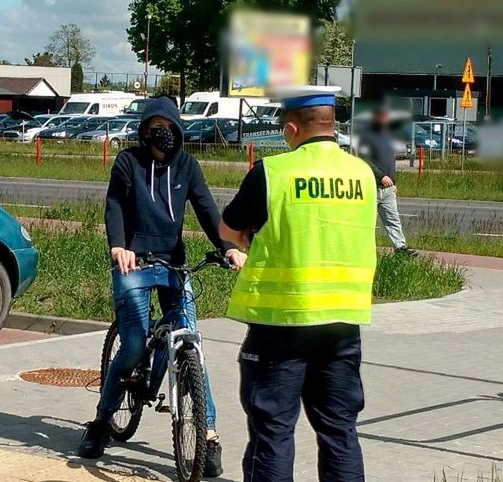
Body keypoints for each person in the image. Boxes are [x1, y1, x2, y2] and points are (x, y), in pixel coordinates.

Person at [78, 97, 246, 478]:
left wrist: (229, 248)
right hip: (133, 261)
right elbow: (115, 204)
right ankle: (102, 421)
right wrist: (118, 245)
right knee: (135, 344)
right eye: (155, 126)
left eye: (168, 126)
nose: (163, 132)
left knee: (191, 344)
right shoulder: (128, 162)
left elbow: (206, 210)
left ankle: (209, 435)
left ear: (177, 128)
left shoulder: (187, 165)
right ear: (144, 130)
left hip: (173, 263)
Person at [219, 86, 377, 482]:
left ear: (291, 128)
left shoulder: (273, 173)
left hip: (281, 324)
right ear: (332, 124)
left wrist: (250, 241)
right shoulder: (364, 175)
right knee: (340, 432)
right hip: (342, 324)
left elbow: (228, 228)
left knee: (273, 433)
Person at [358, 104, 415, 255]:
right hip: (372, 187)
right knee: (367, 221)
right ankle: (362, 249)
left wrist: (393, 182)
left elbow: (390, 161)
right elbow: (364, 160)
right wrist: (381, 176)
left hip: (389, 189)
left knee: (393, 219)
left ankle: (400, 247)